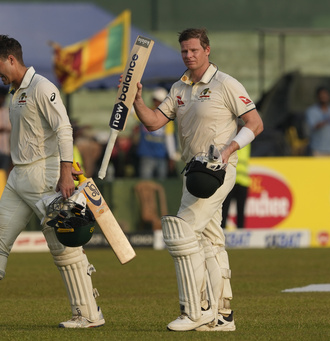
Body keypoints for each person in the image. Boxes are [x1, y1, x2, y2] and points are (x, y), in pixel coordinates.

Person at [0, 35, 104, 330]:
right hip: (19, 176)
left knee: (63, 245)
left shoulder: (42, 87)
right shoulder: (14, 92)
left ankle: (88, 313)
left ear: (11, 59)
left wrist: (66, 172)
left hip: (44, 176)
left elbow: (64, 128)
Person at [132, 28, 263, 332]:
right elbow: (153, 122)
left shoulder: (225, 83)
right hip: (193, 172)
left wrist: (230, 148)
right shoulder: (179, 87)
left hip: (217, 170)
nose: (189, 56)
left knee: (182, 232)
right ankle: (222, 316)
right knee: (210, 241)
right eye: (184, 51)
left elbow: (255, 123)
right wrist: (136, 101)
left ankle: (196, 309)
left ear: (207, 50)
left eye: (194, 50)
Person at [133, 87, 180, 180]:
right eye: (155, 100)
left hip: (161, 156)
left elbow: (169, 138)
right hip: (146, 155)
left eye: (159, 101)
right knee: (146, 182)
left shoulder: (167, 118)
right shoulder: (145, 113)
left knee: (161, 182)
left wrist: (172, 156)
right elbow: (131, 110)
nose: (157, 102)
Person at [221, 125, 251, 229]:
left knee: (240, 212)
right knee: (224, 211)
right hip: (230, 180)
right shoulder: (230, 140)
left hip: (242, 181)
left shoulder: (241, 140)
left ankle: (240, 235)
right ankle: (222, 233)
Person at [305, 86, 330, 156]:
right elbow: (314, 126)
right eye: (321, 95)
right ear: (317, 97)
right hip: (318, 149)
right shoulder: (312, 111)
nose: (323, 97)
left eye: (325, 94)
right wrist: (329, 119)